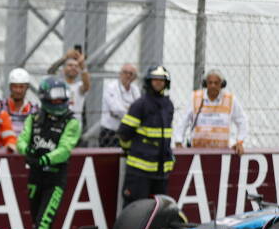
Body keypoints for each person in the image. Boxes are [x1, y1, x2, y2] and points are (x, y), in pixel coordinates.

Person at [17, 77, 82, 229]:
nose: (59, 100)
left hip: (55, 179)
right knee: (33, 223)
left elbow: (65, 150)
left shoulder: (72, 122)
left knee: (43, 226)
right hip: (34, 177)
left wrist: (44, 159)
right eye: (56, 97)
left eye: (62, 97)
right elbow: (21, 141)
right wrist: (28, 151)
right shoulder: (33, 119)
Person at [118, 65, 174, 205]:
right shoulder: (140, 104)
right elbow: (124, 133)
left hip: (161, 171)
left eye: (161, 80)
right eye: (155, 80)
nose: (158, 83)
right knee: (135, 210)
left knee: (158, 211)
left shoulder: (168, 105)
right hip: (140, 171)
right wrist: (131, 150)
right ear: (149, 82)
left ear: (166, 83)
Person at [173, 68, 247, 154]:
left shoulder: (230, 99)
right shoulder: (196, 97)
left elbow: (242, 120)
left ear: (222, 84)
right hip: (197, 150)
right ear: (205, 84)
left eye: (216, 83)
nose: (213, 86)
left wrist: (239, 142)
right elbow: (183, 120)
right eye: (210, 82)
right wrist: (178, 141)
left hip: (222, 151)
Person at [100, 64, 139, 147]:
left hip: (129, 132)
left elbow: (139, 109)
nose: (128, 76)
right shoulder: (111, 87)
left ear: (134, 77)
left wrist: (126, 110)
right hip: (110, 132)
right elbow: (116, 109)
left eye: (131, 74)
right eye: (125, 72)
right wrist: (132, 113)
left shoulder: (135, 89)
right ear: (120, 74)